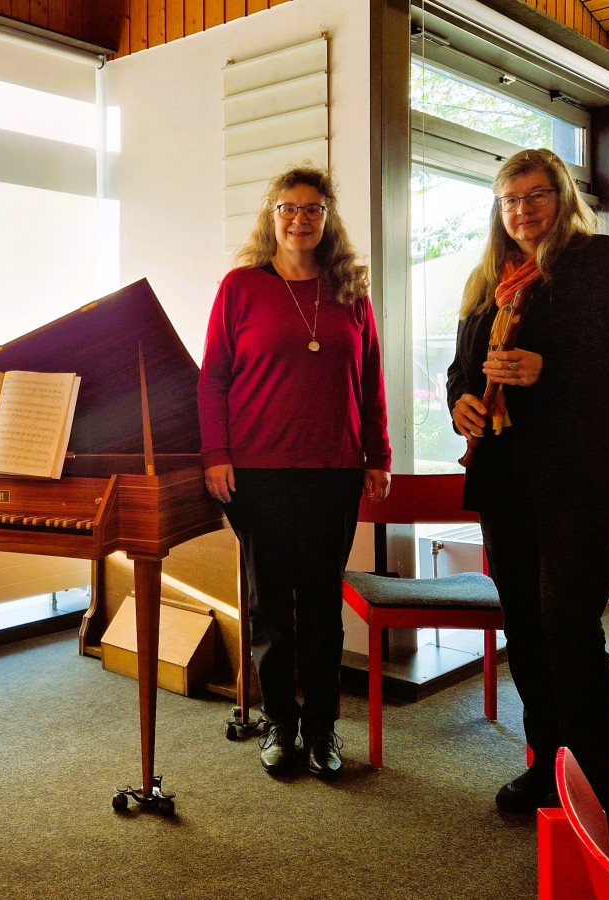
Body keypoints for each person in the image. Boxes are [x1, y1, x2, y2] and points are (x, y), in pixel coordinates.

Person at [447, 148, 609, 832]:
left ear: (562, 197)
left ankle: (592, 785)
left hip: (580, 479)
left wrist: (551, 366)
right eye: (510, 200)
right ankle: (546, 765)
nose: (523, 210)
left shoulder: (602, 260)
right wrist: (460, 402)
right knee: (527, 631)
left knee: (569, 628)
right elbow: (460, 370)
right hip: (506, 481)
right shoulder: (487, 279)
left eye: (537, 195)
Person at [198, 166, 392, 782]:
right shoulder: (240, 288)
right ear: (272, 216)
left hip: (333, 470)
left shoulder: (350, 294)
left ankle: (322, 728)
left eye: (312, 209)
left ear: (328, 218)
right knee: (271, 609)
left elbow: (371, 383)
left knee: (323, 609)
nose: (300, 219)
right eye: (288, 208)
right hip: (256, 471)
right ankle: (280, 724)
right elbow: (214, 380)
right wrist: (215, 454)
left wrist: (378, 456)